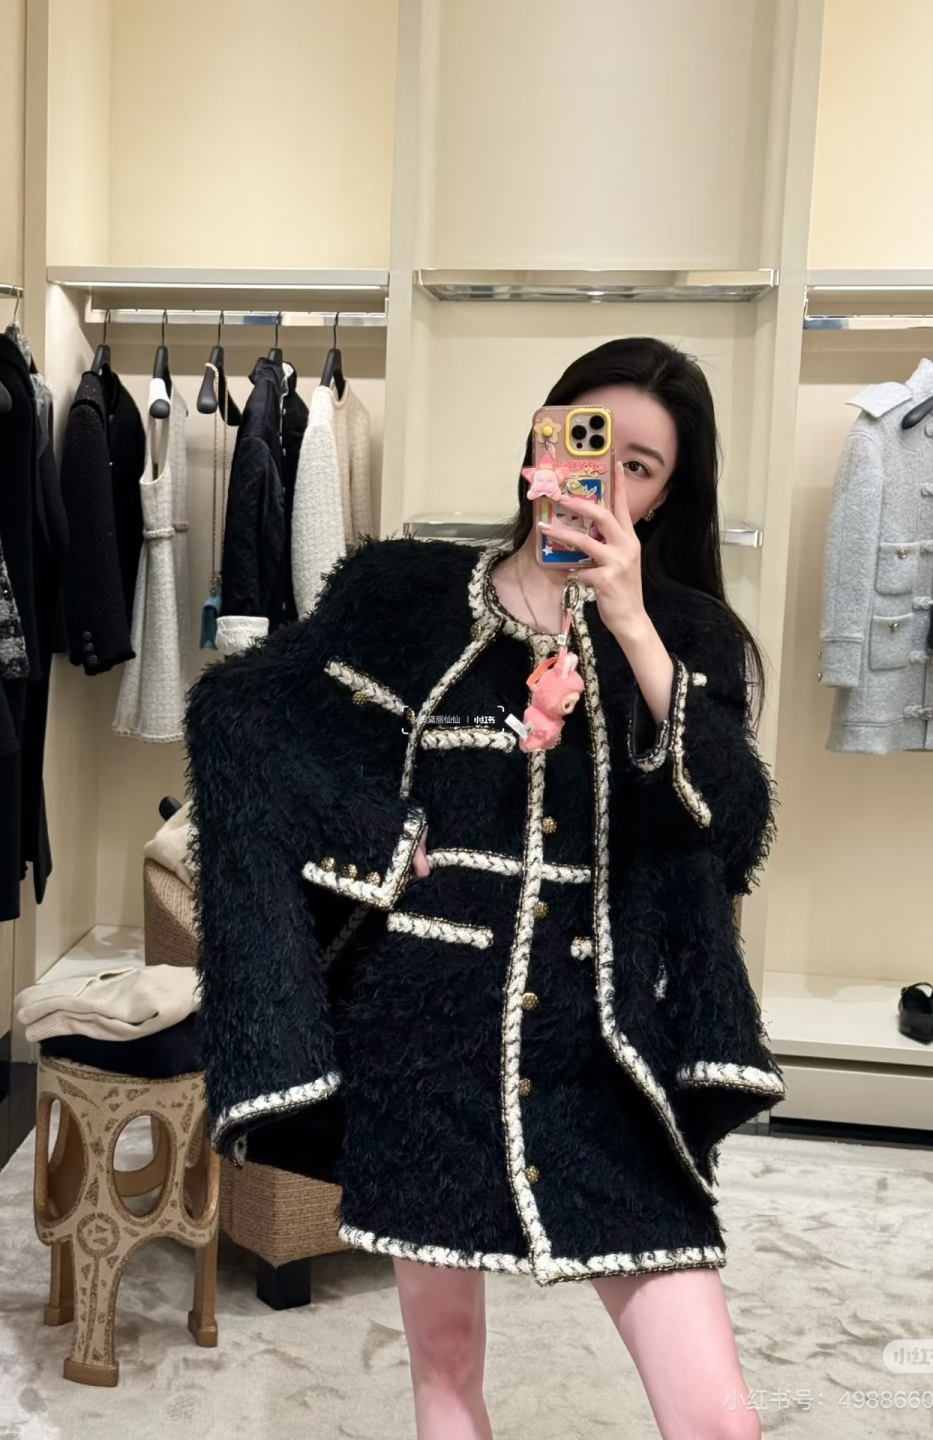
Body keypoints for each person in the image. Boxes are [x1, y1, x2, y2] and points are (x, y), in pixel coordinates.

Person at [184, 336, 783, 1440]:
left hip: (606, 1048)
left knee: (719, 1420)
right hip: (425, 1039)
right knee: (446, 1376)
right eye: (588, 442)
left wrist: (633, 624)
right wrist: (374, 834)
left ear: (663, 496)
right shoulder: (401, 593)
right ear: (540, 446)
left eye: (641, 466)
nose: (606, 477)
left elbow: (733, 828)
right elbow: (245, 719)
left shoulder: (687, 631)